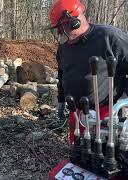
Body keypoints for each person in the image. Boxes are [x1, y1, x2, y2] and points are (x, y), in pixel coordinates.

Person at [48, 0, 128, 144]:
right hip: (76, 111)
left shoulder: (109, 37)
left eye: (60, 28)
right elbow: (62, 74)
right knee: (78, 151)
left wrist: (123, 100)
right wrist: (61, 100)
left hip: (107, 110)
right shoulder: (64, 47)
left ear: (74, 23)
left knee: (105, 154)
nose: (58, 33)